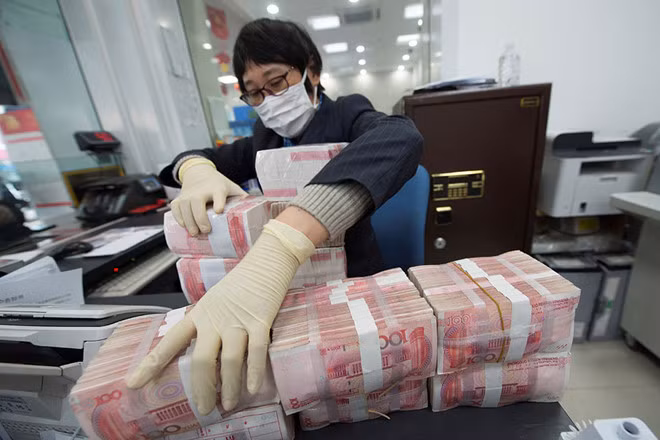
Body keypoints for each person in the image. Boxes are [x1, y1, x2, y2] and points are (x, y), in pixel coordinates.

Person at [127, 18, 423, 416]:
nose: (268, 100)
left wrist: (282, 244)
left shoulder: (347, 113)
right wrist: (194, 169)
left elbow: (401, 137)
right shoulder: (264, 138)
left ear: (311, 71)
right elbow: (196, 157)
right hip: (283, 292)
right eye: (255, 92)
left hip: (350, 280)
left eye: (277, 82)